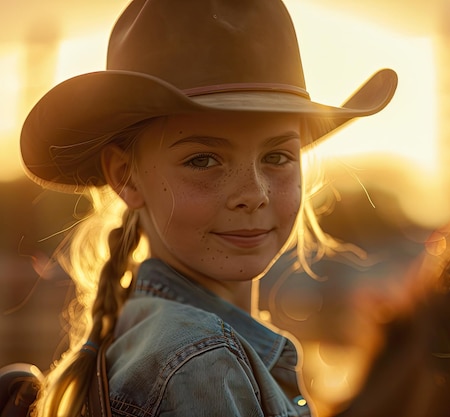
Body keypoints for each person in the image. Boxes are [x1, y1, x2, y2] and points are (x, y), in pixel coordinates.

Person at [19, 0, 397, 416]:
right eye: (203, 159)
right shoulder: (202, 363)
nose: (253, 194)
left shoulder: (153, 334)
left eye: (277, 157)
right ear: (125, 175)